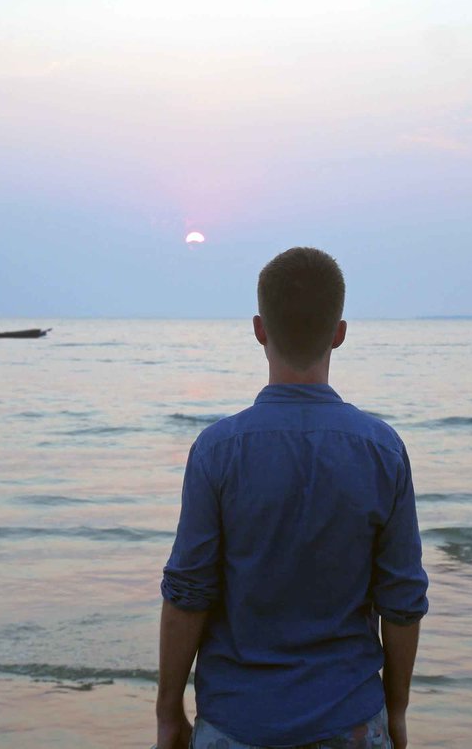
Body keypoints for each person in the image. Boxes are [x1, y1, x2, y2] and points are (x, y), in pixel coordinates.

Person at [157, 247, 429, 749]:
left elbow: (187, 595)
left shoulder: (218, 451)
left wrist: (169, 713)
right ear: (340, 333)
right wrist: (396, 712)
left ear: (259, 329)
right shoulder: (381, 450)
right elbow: (403, 602)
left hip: (236, 723)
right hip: (350, 720)